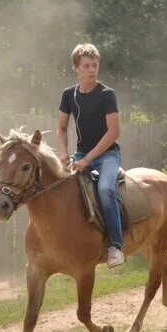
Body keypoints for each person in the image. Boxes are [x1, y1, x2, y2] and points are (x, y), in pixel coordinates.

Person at [57, 43, 126, 267]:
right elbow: (61, 128)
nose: (92, 70)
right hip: (80, 154)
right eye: (86, 66)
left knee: (105, 189)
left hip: (107, 156)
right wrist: (64, 153)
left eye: (95, 65)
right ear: (76, 68)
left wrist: (87, 160)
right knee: (61, 190)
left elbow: (114, 132)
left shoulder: (107, 94)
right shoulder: (68, 95)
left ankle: (116, 246)